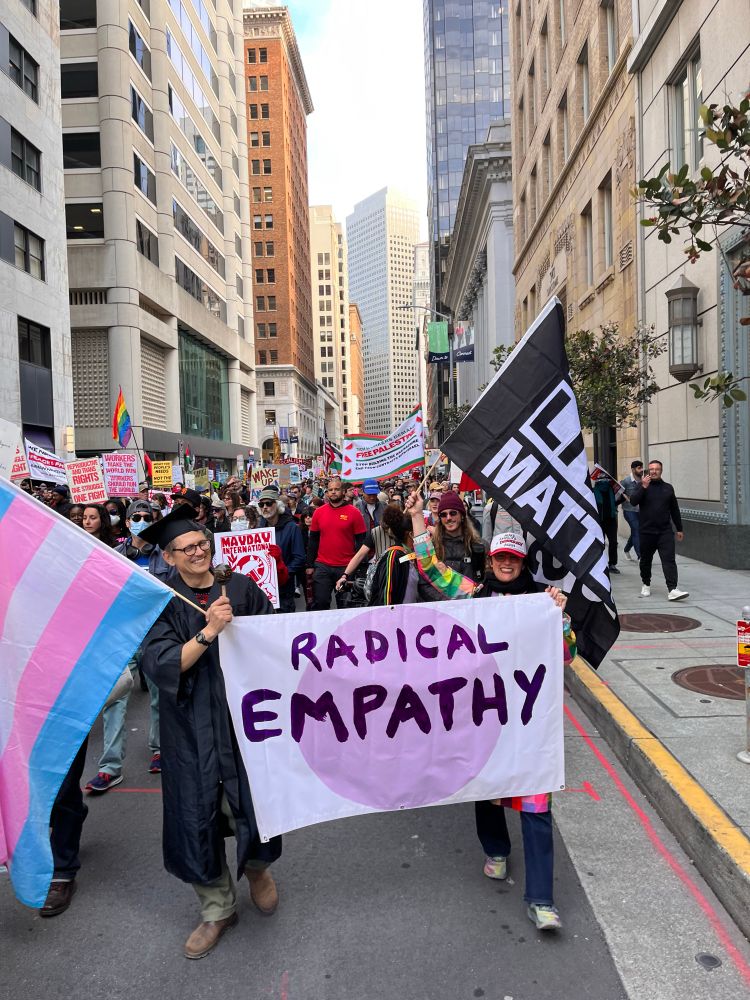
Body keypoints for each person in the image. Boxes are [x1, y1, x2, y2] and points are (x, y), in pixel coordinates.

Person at [406, 493, 574, 931]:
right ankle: (495, 850)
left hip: (530, 722)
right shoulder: (473, 595)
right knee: (485, 784)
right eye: (500, 557)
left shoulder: (543, 602)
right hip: (483, 716)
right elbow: (432, 570)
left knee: (537, 806)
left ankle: (541, 900)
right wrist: (417, 519)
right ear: (491, 561)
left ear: (522, 563)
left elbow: (568, 656)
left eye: (513, 559)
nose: (506, 564)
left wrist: (561, 619)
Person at [140, 508, 282, 959]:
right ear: (169, 556)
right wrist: (210, 630)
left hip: (243, 720)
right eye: (188, 548)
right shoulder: (163, 600)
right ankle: (217, 908)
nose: (199, 551)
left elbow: (277, 641)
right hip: (191, 726)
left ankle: (257, 870)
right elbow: (162, 664)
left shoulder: (239, 587)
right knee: (195, 815)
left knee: (252, 804)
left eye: (202, 542)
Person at [84, 500, 172, 792]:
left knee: (159, 696)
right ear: (128, 520)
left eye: (148, 516)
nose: (142, 520)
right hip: (123, 637)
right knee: (115, 699)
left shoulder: (167, 556)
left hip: (156, 635)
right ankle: (110, 766)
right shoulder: (115, 556)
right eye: (137, 516)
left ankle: (160, 748)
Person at [629, 460, 688, 600]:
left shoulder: (668, 488)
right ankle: (646, 584)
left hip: (665, 532)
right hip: (646, 532)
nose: (654, 471)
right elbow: (633, 501)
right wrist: (643, 486)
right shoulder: (641, 486)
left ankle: (672, 589)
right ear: (648, 471)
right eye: (652, 469)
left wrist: (679, 528)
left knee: (669, 560)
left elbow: (674, 509)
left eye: (657, 469)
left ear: (661, 471)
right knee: (645, 561)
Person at [306, 477, 367, 611]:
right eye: (330, 490)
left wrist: (357, 567)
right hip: (322, 566)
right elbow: (313, 540)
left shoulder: (355, 513)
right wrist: (310, 564)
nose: (333, 492)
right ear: (327, 493)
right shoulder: (318, 513)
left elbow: (361, 542)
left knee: (345, 606)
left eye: (337, 489)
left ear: (343, 492)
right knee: (320, 604)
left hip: (346, 567)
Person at [420, 491, 487, 601]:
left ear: (461, 515)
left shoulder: (479, 546)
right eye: (443, 514)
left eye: (453, 513)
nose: (448, 518)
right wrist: (447, 603)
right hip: (443, 610)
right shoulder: (432, 547)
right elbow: (424, 583)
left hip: (472, 607)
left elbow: (484, 580)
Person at [257, 487, 305, 613]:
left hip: (284, 590)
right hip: (263, 591)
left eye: (269, 503)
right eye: (261, 504)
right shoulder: (258, 529)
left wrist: (284, 573)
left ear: (277, 505)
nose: (265, 507)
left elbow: (299, 558)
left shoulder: (292, 528)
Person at [592, 474, 620, 574]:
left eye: (606, 481)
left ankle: (612, 564)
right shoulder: (593, 492)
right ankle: (600, 563)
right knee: (600, 543)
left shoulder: (611, 490)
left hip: (611, 520)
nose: (605, 483)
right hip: (599, 521)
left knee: (613, 542)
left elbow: (614, 503)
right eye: (603, 481)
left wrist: (623, 498)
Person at [620, 460, 643, 562]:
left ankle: (626, 549)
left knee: (636, 531)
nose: (641, 470)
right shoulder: (626, 481)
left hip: (641, 511)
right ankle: (640, 556)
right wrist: (627, 498)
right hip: (629, 510)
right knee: (637, 529)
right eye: (639, 468)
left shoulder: (643, 480)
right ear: (633, 469)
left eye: (642, 467)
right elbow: (619, 491)